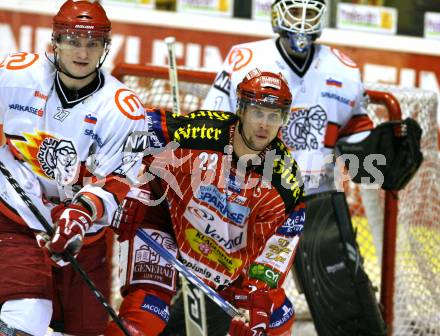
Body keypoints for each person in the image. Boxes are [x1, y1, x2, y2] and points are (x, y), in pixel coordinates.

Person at [199, 1, 421, 335]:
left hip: (316, 201)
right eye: (295, 10)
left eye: (309, 11)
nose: (301, 21)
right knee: (227, 304)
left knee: (348, 309)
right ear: (276, 12)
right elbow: (213, 129)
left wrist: (383, 155)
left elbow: (355, 145)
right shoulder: (245, 59)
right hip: (251, 199)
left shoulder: (342, 68)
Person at [106, 70, 306, 336]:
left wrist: (259, 290)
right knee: (145, 316)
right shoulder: (201, 132)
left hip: (223, 259)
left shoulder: (285, 182)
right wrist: (128, 190)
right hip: (163, 218)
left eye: (274, 116)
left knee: (277, 319)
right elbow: (129, 128)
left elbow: (280, 243)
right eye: (258, 112)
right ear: (242, 109)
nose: (264, 125)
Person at [0, 1, 145, 335]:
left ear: (105, 48)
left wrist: (80, 213)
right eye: (73, 41)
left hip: (85, 238)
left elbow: (120, 181)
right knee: (28, 316)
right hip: (16, 217)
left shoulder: (123, 108)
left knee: (87, 328)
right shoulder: (18, 73)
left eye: (93, 43)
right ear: (56, 42)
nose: (83, 52)